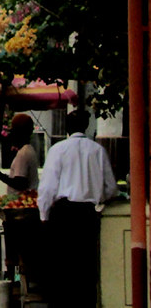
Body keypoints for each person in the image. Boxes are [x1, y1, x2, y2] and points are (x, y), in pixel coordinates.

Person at [37, 110, 117, 308]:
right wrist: (98, 197)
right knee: (85, 267)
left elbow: (47, 188)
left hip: (63, 214)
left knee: (62, 267)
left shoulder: (58, 150)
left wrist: (44, 215)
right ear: (85, 127)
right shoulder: (97, 150)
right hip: (87, 215)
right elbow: (111, 188)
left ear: (67, 128)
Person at [0, 113, 39, 194]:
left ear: (19, 133)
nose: (11, 135)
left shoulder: (23, 154)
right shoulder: (28, 149)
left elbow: (20, 183)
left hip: (21, 201)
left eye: (13, 131)